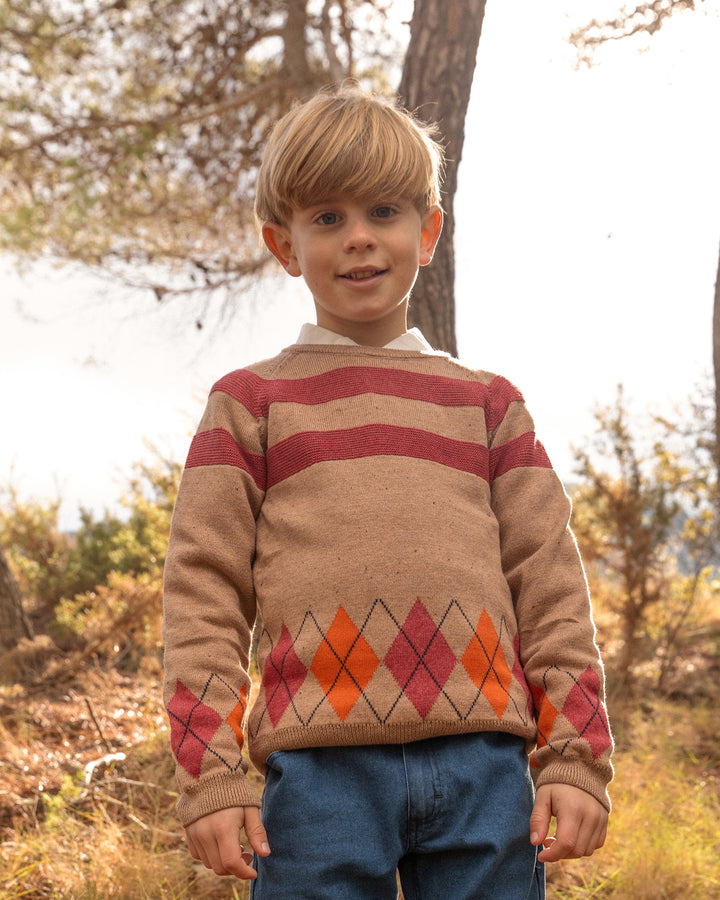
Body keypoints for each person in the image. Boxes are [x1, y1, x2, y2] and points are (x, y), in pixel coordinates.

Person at [162, 85, 613, 900]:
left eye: (384, 211)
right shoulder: (250, 405)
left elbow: (551, 585)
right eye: (326, 218)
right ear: (283, 244)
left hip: (486, 769)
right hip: (316, 775)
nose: (360, 239)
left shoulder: (490, 405)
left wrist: (576, 758)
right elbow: (203, 591)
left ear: (428, 231)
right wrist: (211, 775)